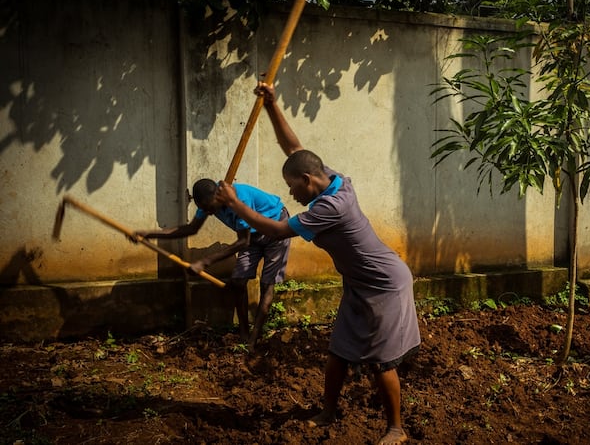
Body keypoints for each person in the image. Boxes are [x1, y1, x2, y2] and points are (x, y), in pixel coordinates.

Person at [214, 82, 420, 445]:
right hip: (359, 282)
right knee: (339, 352)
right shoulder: (334, 180)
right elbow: (295, 149)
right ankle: (327, 412)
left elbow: (276, 231)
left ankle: (396, 429)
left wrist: (235, 203)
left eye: (293, 187)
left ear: (309, 181)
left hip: (384, 284)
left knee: (380, 361)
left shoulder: (330, 207)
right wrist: (273, 105)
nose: (290, 194)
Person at [131, 179, 290, 349]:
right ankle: (244, 333)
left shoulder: (239, 201)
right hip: (252, 235)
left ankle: (254, 338)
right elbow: (191, 229)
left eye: (209, 208)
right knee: (237, 281)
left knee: (267, 284)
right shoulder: (208, 204)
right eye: (204, 209)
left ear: (217, 196)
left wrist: (205, 261)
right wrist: (150, 234)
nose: (208, 212)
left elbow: (243, 242)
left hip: (276, 226)